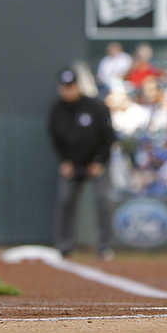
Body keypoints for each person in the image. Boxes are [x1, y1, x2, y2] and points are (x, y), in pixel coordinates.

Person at [48, 68, 116, 259]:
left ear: (77, 86)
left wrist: (100, 161)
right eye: (64, 87)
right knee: (65, 201)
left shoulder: (95, 106)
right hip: (72, 164)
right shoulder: (57, 110)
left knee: (104, 200)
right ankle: (64, 246)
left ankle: (104, 247)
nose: (67, 91)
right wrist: (64, 161)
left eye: (71, 87)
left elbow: (109, 137)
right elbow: (54, 139)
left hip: (97, 162)